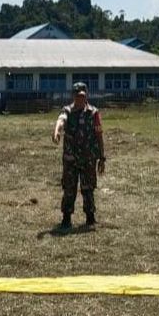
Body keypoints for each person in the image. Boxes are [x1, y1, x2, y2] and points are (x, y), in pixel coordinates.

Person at [52, 82, 106, 230]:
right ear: (73, 96)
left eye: (82, 96)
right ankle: (66, 218)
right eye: (77, 96)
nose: (80, 99)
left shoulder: (93, 113)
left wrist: (102, 157)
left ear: (86, 96)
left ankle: (90, 217)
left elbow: (99, 135)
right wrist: (56, 131)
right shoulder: (67, 111)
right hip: (71, 159)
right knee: (69, 188)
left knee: (88, 188)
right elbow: (61, 120)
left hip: (88, 159)